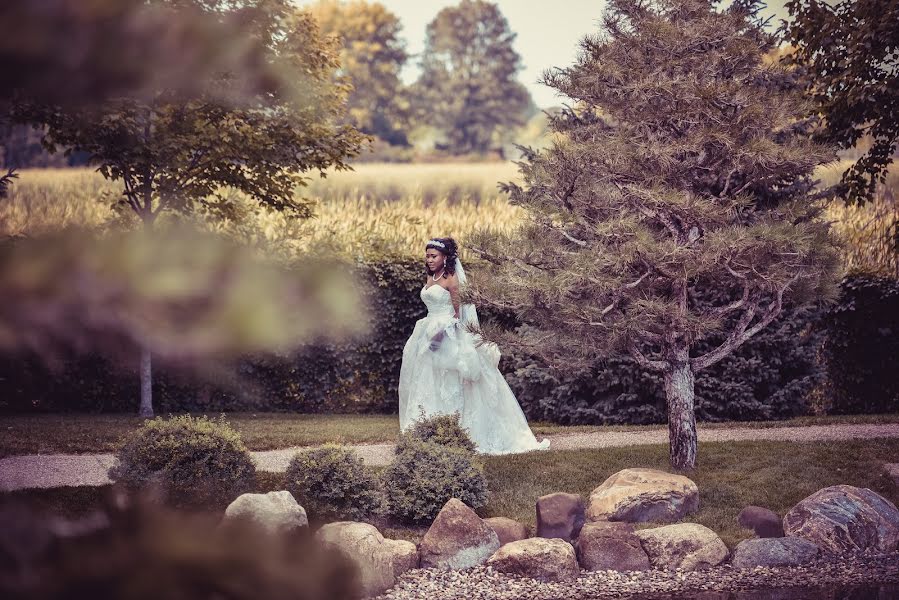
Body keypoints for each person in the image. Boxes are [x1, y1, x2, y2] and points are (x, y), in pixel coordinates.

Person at [398, 237, 550, 455]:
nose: (429, 260)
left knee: (451, 382)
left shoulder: (451, 279)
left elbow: (459, 315)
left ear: (445, 257)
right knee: (428, 380)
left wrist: (440, 337)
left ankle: (457, 428)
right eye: (427, 256)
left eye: (434, 256)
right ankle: (429, 429)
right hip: (427, 331)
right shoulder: (431, 276)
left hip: (446, 335)